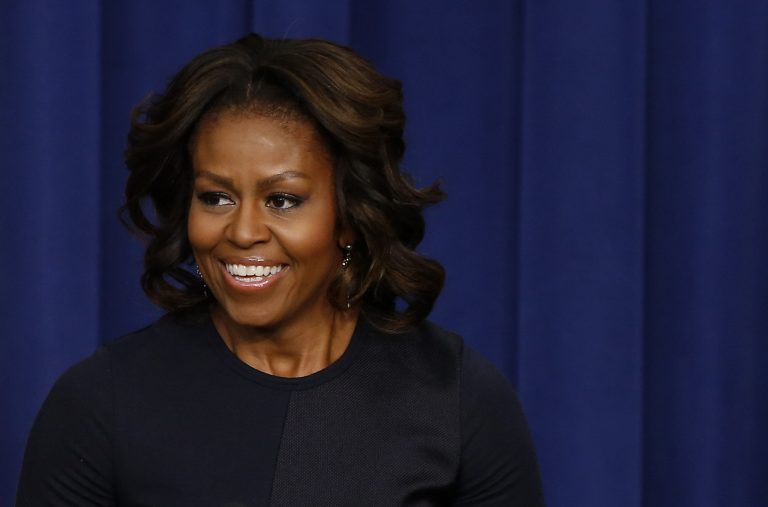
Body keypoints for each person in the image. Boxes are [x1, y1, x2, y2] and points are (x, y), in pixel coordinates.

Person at [17, 33, 544, 506]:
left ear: (349, 217)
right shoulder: (101, 402)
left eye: (284, 200)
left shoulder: (453, 396)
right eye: (216, 197)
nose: (244, 232)